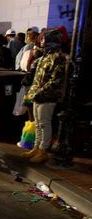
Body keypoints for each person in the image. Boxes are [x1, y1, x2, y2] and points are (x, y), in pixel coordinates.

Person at [21, 28, 67, 163]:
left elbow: (55, 80)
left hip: (47, 96)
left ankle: (43, 150)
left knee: (44, 124)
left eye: (43, 39)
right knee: (37, 124)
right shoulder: (45, 56)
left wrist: (39, 92)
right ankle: (37, 147)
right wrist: (33, 93)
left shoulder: (58, 57)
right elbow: (37, 77)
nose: (41, 41)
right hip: (37, 95)